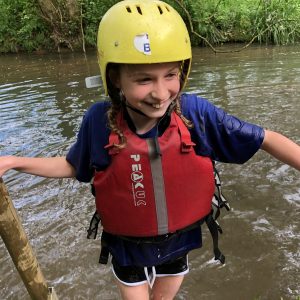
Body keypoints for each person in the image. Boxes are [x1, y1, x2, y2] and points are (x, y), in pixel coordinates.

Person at [1, 0, 299, 299]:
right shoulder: (99, 121)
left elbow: (265, 138)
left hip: (178, 243)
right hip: (127, 247)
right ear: (115, 78)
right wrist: (14, 161)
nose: (160, 93)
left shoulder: (196, 115)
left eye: (170, 75)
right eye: (144, 79)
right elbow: (72, 166)